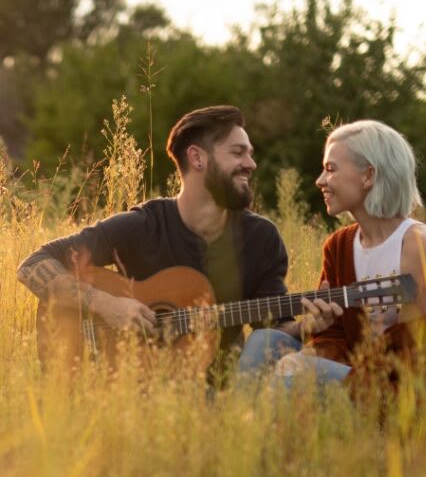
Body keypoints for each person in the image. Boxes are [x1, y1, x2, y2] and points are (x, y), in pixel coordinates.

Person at [16, 105, 316, 371]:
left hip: (219, 388)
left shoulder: (261, 238)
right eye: (238, 152)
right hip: (130, 383)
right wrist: (106, 305)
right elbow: (33, 264)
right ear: (197, 158)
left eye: (250, 153)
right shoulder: (142, 226)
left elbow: (274, 328)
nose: (251, 163)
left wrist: (309, 326)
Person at [238, 119, 426, 386]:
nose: (320, 181)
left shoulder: (417, 244)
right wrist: (314, 338)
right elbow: (334, 336)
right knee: (263, 341)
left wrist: (308, 364)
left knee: (296, 374)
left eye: (330, 169)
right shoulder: (339, 245)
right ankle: (240, 426)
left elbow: (410, 350)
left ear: (368, 175)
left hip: (399, 386)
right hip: (349, 369)